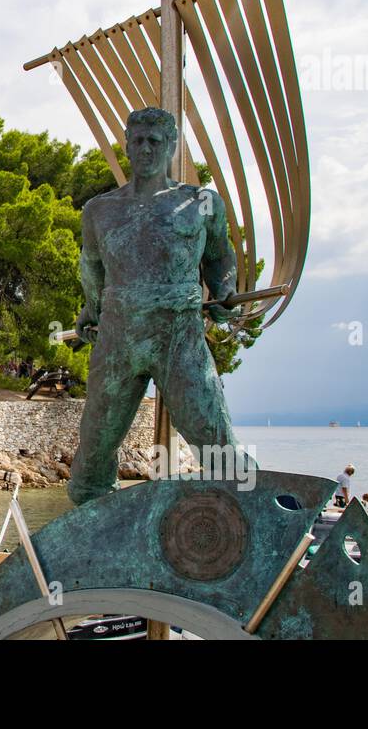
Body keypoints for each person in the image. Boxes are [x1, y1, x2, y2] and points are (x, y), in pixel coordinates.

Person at [68, 107, 252, 505]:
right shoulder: (99, 210)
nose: (146, 148)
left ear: (171, 146)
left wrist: (222, 290)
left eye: (155, 141)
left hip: (178, 332)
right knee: (95, 446)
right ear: (127, 146)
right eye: (138, 141)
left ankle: (252, 515)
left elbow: (220, 257)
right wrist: (90, 308)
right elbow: (92, 266)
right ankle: (93, 535)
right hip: (118, 333)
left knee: (213, 437)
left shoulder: (201, 203)